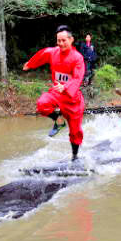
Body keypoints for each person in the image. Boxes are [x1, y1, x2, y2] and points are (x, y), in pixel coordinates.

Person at [22, 25, 85, 161]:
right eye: (58, 41)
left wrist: (66, 86)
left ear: (71, 40)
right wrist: (30, 64)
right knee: (42, 104)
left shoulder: (77, 58)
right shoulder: (53, 52)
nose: (61, 44)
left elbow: (78, 76)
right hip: (56, 93)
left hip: (72, 98)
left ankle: (75, 157)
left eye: (64, 40)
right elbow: (41, 55)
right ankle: (58, 120)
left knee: (75, 132)